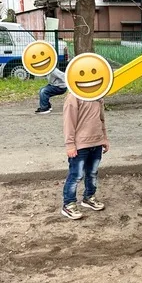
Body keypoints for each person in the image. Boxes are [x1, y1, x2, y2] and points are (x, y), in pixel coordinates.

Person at [61, 92, 110, 220]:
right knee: (76, 175)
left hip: (96, 142)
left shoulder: (98, 95)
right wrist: (70, 144)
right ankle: (69, 204)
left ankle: (89, 197)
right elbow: (69, 122)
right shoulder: (73, 97)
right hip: (80, 145)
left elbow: (101, 119)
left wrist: (104, 138)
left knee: (92, 173)